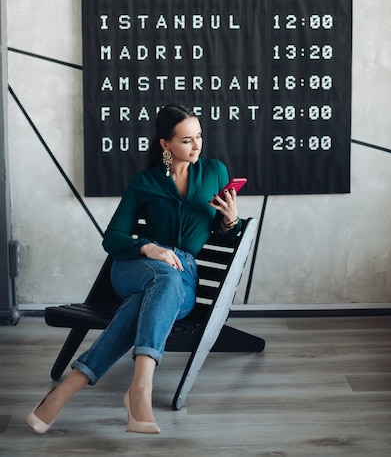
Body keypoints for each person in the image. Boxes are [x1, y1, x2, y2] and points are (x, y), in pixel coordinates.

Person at [26, 103, 242, 435]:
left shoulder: (215, 171)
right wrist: (148, 247)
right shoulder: (145, 181)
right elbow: (113, 238)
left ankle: (63, 392)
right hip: (136, 267)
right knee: (161, 276)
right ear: (165, 144)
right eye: (186, 140)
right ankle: (140, 390)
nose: (197, 145)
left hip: (182, 279)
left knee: (159, 289)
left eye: (199, 136)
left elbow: (220, 229)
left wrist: (230, 221)